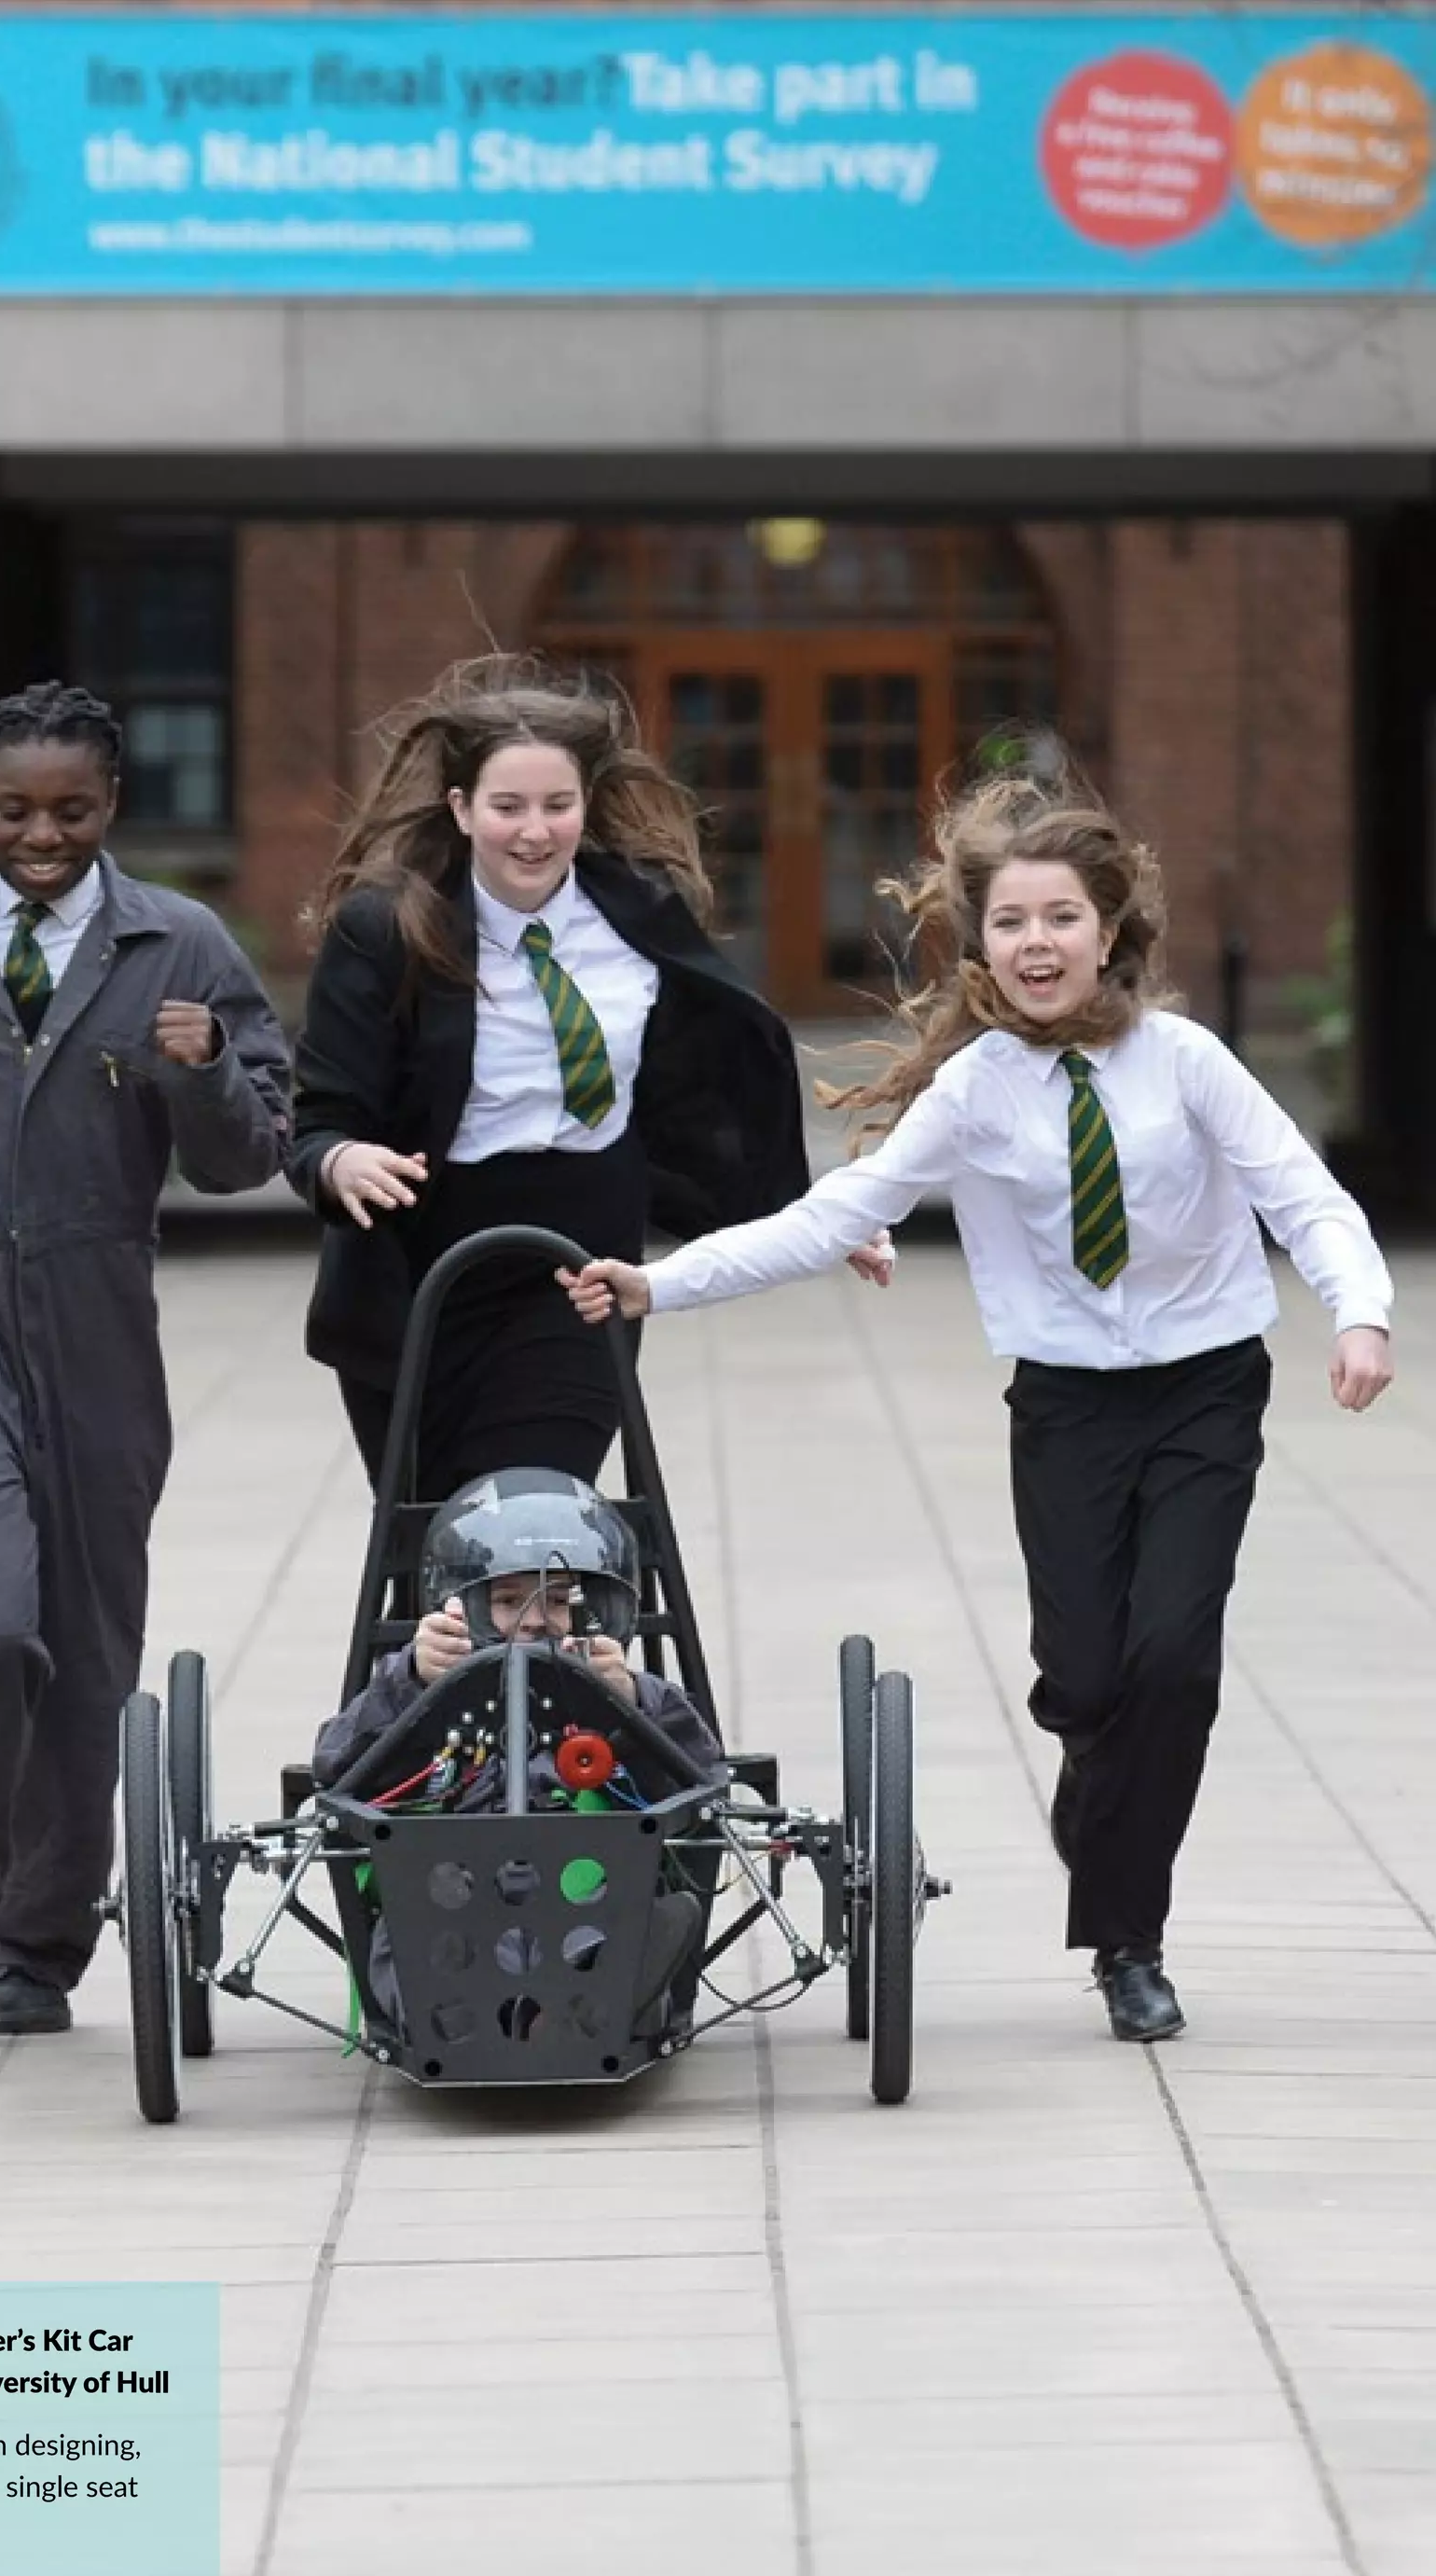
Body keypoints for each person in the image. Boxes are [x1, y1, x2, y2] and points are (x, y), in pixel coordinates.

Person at [563, 763, 1395, 2045]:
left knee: (1171, 1663)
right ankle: (1097, 1784)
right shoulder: (977, 1090)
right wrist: (658, 1287)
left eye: (1061, 918)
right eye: (1010, 924)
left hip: (1204, 1393)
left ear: (1108, 930)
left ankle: (1129, 1938)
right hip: (1065, 1404)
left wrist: (1360, 1312)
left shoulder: (1186, 1063)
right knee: (1083, 1678)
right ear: (983, 947)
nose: (1036, 944)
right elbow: (835, 1217)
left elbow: (1306, 1197)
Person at [0, 682, 290, 2039]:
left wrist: (201, 1071)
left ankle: (38, 1944)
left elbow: (244, 1158)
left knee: (83, 1651)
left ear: (112, 809)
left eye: (72, 810)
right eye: (15, 809)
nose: (43, 835)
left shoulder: (182, 942)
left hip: (98, 1330)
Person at [287, 655, 865, 1503]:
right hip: (419, 1275)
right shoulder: (388, 929)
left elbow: (701, 1099)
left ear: (585, 807)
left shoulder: (637, 912)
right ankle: (425, 1644)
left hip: (579, 1271)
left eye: (557, 806)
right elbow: (319, 1121)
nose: (534, 831)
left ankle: (550, 1635)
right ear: (461, 809)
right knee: (431, 1548)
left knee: (530, 1519)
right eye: (508, 807)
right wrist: (340, 1162)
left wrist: (815, 1220)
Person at [313, 1467, 723, 2030]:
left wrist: (630, 1701)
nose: (534, 1620)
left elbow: (705, 1780)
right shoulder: (417, 1685)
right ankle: (475, 2013)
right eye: (508, 1601)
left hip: (584, 1888)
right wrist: (411, 1680)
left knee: (613, 1895)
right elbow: (334, 1768)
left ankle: (591, 1997)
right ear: (463, 1609)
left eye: (555, 1601)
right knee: (437, 1894)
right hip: (452, 1902)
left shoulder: (610, 1687)